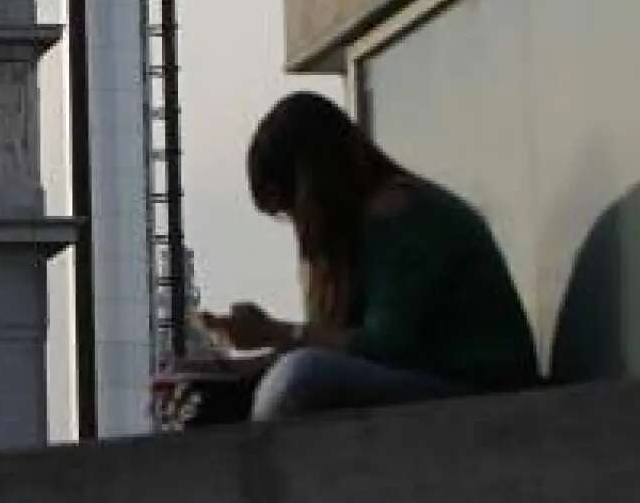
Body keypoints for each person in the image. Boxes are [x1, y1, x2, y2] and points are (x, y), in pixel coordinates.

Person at [192, 92, 539, 421]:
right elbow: (348, 343)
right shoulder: (363, 229)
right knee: (265, 382)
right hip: (438, 383)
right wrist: (233, 371)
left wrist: (278, 333)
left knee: (302, 378)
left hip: (485, 392)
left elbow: (385, 347)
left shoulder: (400, 212)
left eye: (291, 209)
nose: (298, 227)